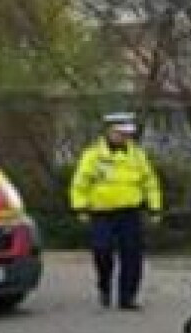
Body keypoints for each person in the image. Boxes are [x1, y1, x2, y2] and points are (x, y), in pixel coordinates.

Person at [68, 112, 162, 310]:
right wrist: (80, 207)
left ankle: (127, 297)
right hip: (102, 213)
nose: (125, 137)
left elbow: (150, 181)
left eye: (128, 134)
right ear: (109, 132)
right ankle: (104, 285)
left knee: (132, 256)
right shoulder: (93, 155)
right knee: (102, 251)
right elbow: (80, 183)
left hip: (129, 212)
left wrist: (154, 207)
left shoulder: (137, 154)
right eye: (121, 133)